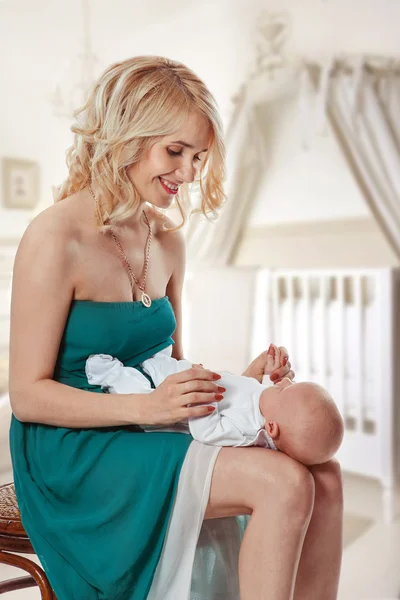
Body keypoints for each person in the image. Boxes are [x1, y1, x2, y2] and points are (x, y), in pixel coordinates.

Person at [7, 55, 343, 600]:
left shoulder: (167, 241)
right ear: (125, 137)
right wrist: (147, 409)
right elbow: (27, 397)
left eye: (199, 157)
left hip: (148, 426)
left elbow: (170, 366)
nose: (189, 174)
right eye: (176, 152)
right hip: (75, 448)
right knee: (280, 482)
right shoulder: (55, 239)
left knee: (323, 475)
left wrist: (242, 386)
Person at [85, 344, 344, 465]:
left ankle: (106, 372)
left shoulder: (247, 430)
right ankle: (152, 361)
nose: (285, 383)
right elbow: (243, 391)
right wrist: (261, 367)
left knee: (132, 386)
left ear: (272, 429)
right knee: (167, 367)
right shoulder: (265, 405)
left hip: (166, 414)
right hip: (187, 384)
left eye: (286, 392)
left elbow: (207, 432)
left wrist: (203, 395)